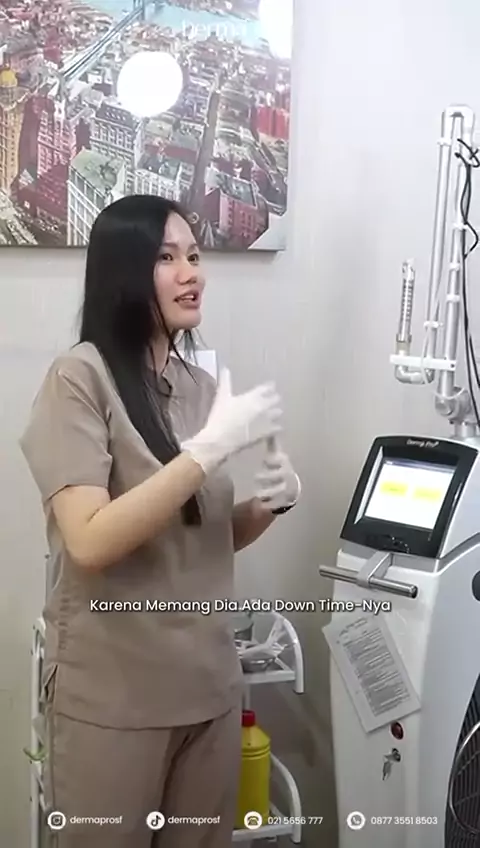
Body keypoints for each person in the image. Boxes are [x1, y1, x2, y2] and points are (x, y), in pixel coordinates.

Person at [20, 195, 301, 848]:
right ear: (124, 271)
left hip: (208, 691)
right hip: (115, 701)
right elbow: (90, 540)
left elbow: (202, 539)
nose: (191, 273)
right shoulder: (79, 379)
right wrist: (206, 453)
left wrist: (270, 501)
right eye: (167, 258)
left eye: (195, 256)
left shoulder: (199, 388)